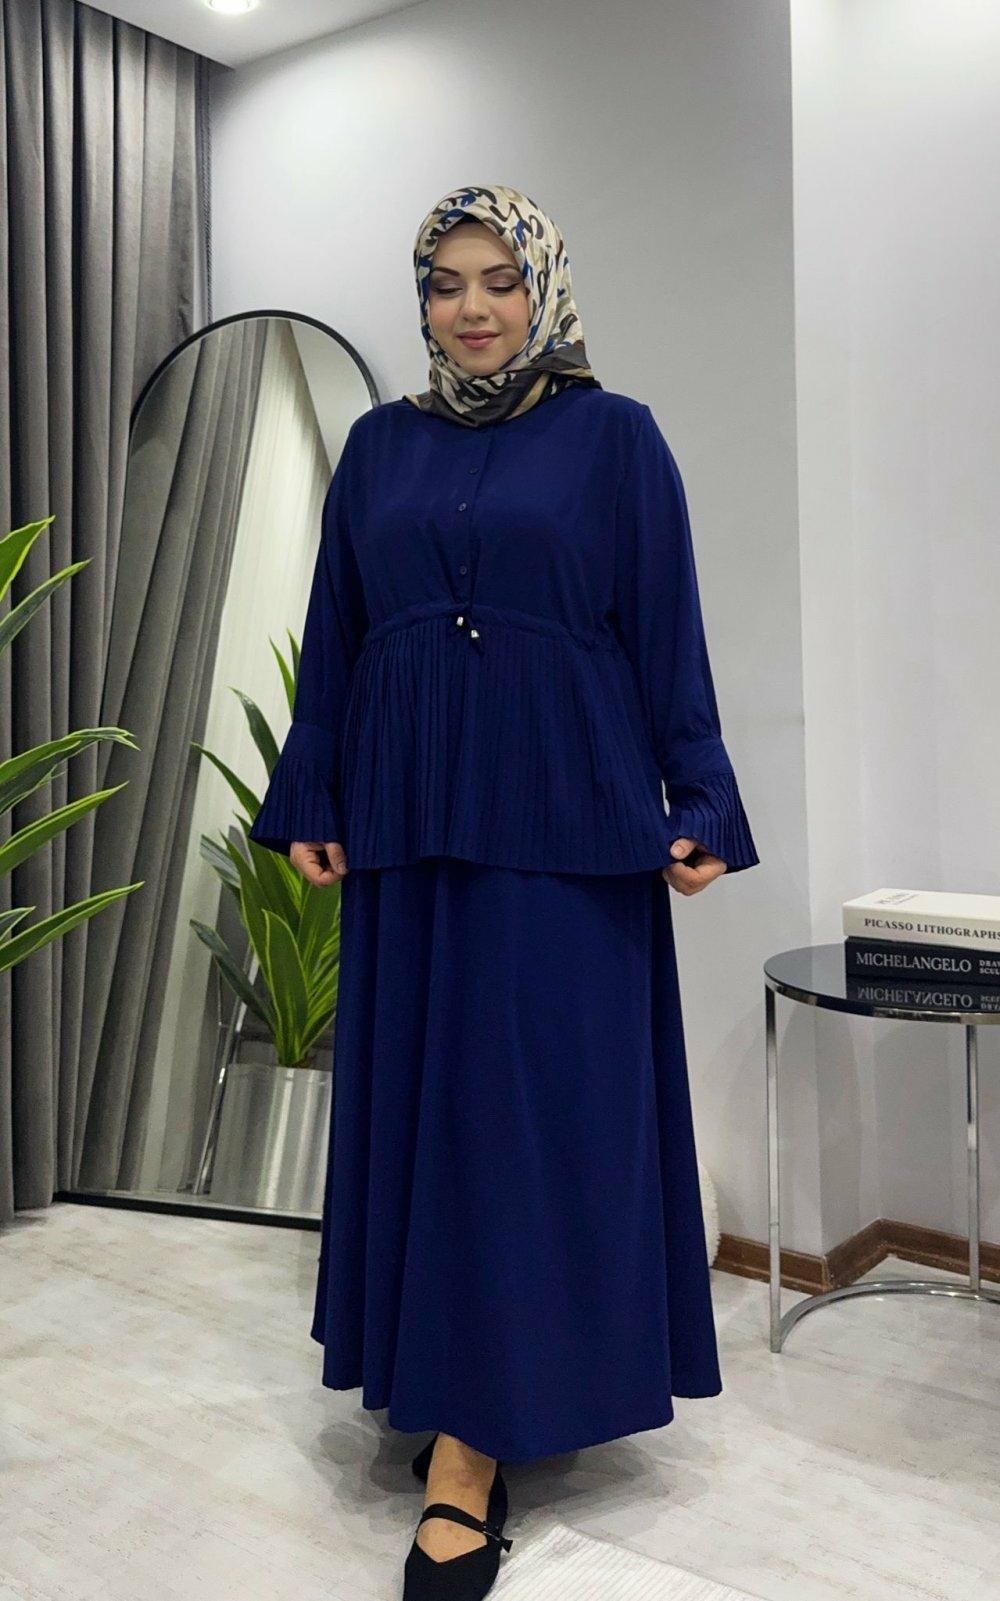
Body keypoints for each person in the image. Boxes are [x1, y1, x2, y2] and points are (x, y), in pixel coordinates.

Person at [248, 183, 760, 1601]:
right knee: (434, 1112)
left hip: (566, 823)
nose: (472, 308)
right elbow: (336, 634)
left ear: (545, 289)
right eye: (445, 283)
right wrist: (313, 791)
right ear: (422, 299)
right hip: (413, 817)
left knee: (536, 1121)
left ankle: (476, 1444)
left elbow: (666, 630)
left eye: (499, 279)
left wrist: (699, 793)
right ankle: (463, 1401)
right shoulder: (379, 447)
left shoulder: (617, 438)